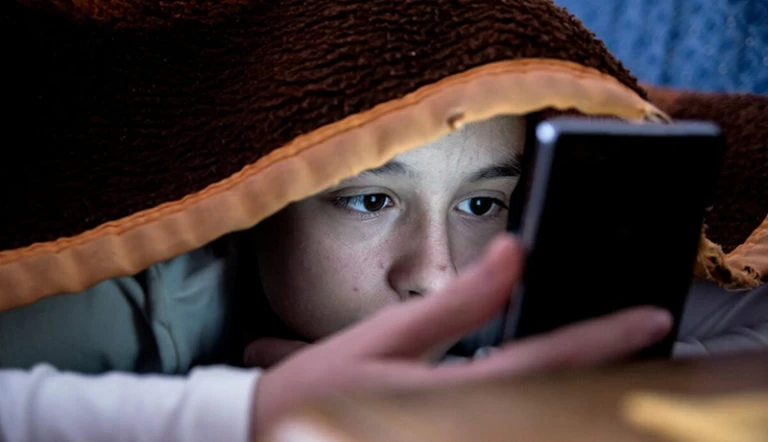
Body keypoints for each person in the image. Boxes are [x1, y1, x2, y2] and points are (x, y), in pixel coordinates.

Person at [0, 115, 680, 441]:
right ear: (259, 198)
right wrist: (251, 413)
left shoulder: (510, 269)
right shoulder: (112, 295)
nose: (437, 276)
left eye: (479, 205)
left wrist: (453, 387)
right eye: (371, 199)